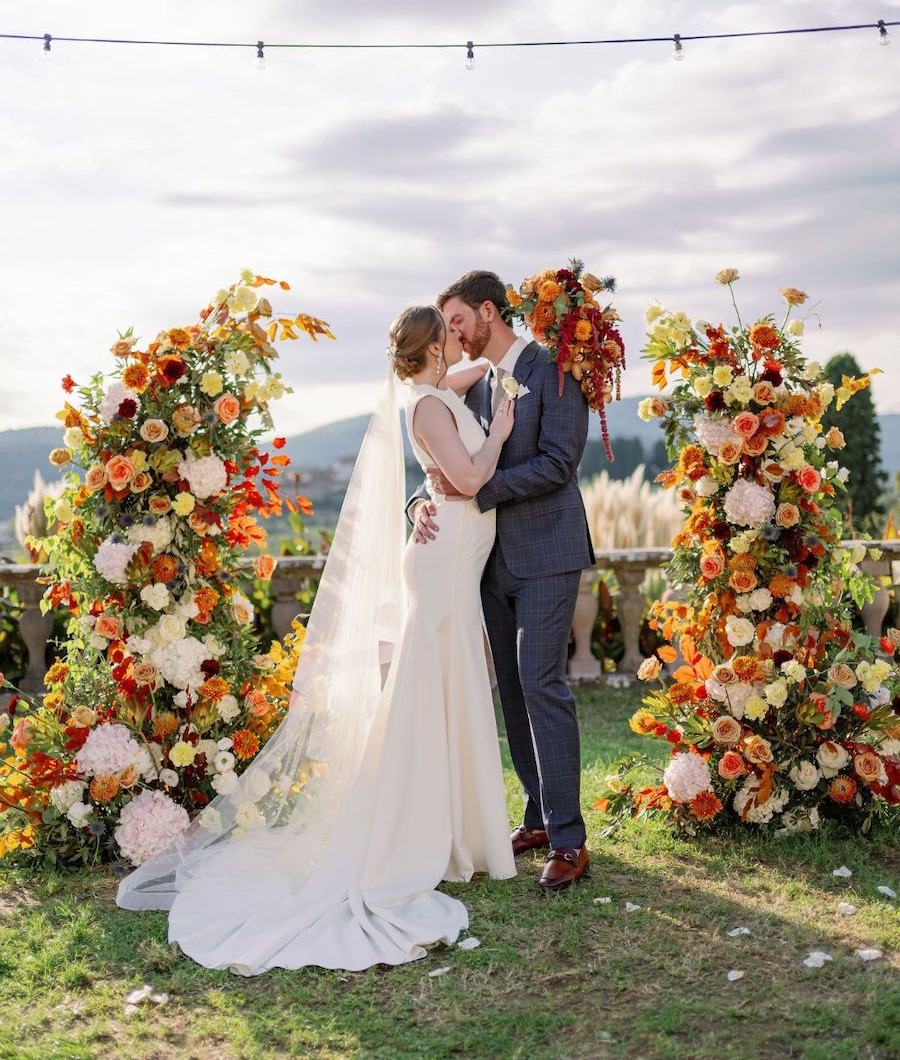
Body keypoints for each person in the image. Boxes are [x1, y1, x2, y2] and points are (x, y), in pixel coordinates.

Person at [116, 305, 517, 974]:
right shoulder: (427, 408)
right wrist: (501, 428)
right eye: (448, 333)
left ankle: (458, 835)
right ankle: (418, 834)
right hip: (444, 566)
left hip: (454, 558)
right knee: (430, 694)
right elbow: (472, 479)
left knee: (449, 692)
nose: (460, 337)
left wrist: (495, 368)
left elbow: (474, 371)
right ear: (429, 349)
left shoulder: (438, 392)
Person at [409, 271, 594, 891]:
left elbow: (558, 463)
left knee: (542, 685)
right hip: (488, 563)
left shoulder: (556, 369)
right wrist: (420, 503)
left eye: (458, 320)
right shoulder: (478, 383)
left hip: (546, 551)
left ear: (489, 311)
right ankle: (538, 817)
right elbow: (443, 455)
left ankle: (569, 839)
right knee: (511, 690)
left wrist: (478, 491)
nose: (452, 333)